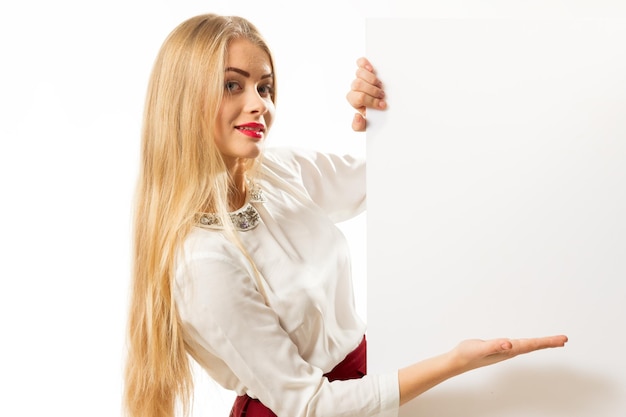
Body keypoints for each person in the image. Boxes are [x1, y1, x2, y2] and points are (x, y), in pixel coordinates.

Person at [123, 13, 568, 417]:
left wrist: (389, 111)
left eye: (265, 86)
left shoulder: (279, 171)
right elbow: (310, 405)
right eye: (232, 85)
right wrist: (456, 363)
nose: (259, 103)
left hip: (366, 385)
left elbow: (399, 180)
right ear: (182, 100)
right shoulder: (202, 263)